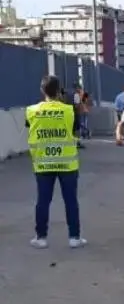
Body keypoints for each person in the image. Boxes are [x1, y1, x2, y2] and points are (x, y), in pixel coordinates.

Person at [25, 75, 86, 249]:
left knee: (43, 201)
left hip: (43, 164)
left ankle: (41, 237)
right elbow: (76, 133)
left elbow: (31, 130)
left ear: (42, 91)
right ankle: (74, 237)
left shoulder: (31, 111)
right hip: (67, 164)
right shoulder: (68, 111)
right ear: (59, 91)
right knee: (71, 201)